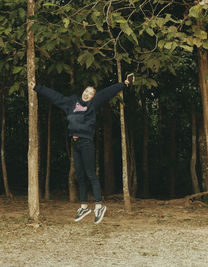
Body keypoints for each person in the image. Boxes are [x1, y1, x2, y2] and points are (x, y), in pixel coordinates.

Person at [34, 74, 134, 224]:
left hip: (86, 142)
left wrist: (125, 83)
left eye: (90, 93)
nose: (87, 94)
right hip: (75, 143)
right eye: (86, 91)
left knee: (90, 174)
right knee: (80, 176)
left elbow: (107, 92)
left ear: (93, 96)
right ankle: (84, 206)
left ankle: (99, 206)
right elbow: (55, 96)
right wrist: (37, 88)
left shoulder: (92, 105)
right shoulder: (71, 102)